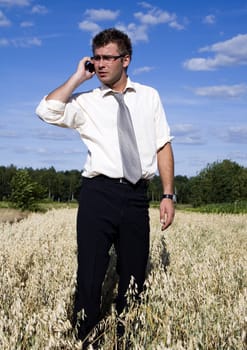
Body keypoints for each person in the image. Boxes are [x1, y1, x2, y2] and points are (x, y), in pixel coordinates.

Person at [36, 27, 175, 345]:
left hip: (137, 196)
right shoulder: (85, 102)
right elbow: (45, 110)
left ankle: (129, 338)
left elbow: (162, 146)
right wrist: (76, 78)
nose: (99, 64)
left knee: (134, 275)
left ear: (125, 60)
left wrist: (168, 194)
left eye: (107, 58)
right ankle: (85, 338)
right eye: (95, 58)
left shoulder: (149, 97)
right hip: (98, 194)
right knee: (90, 272)